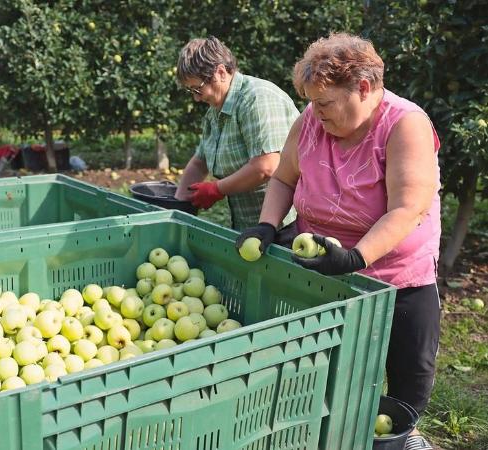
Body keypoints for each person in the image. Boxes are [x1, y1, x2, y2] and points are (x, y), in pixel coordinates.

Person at [236, 33, 440, 450]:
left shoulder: (404, 124)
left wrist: (355, 257)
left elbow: (408, 209)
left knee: (407, 376)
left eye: (325, 102)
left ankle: (404, 437)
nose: (316, 112)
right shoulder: (311, 119)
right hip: (323, 264)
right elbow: (283, 177)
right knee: (327, 370)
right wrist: (267, 225)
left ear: (363, 88)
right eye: (312, 101)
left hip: (394, 274)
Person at [173, 36, 299, 242]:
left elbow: (267, 166)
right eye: (191, 91)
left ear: (221, 73)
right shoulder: (215, 112)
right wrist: (179, 203)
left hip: (284, 227)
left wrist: (216, 189)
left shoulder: (257, 99)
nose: (196, 98)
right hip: (248, 225)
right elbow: (199, 162)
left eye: (197, 89)